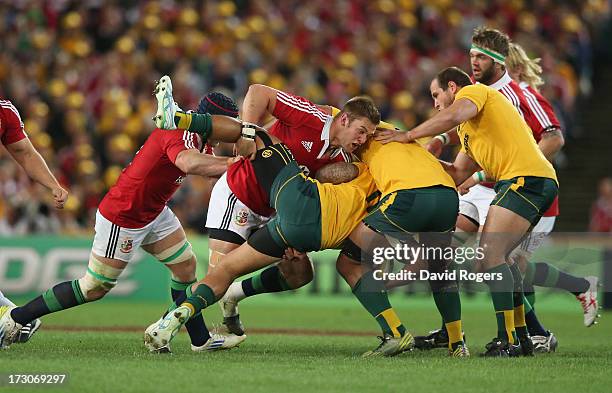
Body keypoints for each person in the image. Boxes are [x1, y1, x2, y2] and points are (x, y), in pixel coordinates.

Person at [0, 85, 242, 352]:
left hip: (154, 211)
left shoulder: (199, 138)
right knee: (94, 287)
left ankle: (200, 340)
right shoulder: (180, 130)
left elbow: (207, 169)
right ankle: (16, 317)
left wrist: (249, 162)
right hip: (125, 214)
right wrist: (236, 163)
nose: (231, 132)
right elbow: (188, 163)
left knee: (186, 267)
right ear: (215, 121)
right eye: (229, 125)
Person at [143, 100, 381, 354]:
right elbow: (259, 92)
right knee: (218, 275)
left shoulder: (344, 158)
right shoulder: (311, 119)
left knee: (300, 273)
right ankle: (171, 327)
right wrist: (247, 132)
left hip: (275, 209)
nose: (363, 139)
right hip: (240, 194)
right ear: (344, 120)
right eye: (361, 131)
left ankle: (235, 294)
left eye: (369, 135)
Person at [376, 66, 558, 357]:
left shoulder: (475, 91)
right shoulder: (469, 131)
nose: (435, 103)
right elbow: (458, 172)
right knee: (497, 260)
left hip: (526, 179)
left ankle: (508, 340)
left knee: (490, 256)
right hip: (529, 182)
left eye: (436, 95)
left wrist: (409, 136)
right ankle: (521, 337)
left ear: (452, 87)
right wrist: (414, 165)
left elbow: (452, 115)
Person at [0, 98, 68, 343]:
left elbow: (25, 153)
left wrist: (53, 185)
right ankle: (17, 318)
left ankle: (13, 319)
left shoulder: (4, 111)